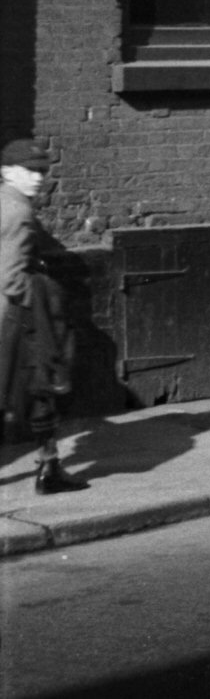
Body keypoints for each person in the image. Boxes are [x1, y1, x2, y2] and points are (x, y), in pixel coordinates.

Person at [1, 138, 77, 493]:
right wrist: (47, 294)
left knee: (32, 394)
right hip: (14, 318)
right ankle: (49, 470)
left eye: (41, 172)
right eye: (28, 171)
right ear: (6, 171)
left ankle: (50, 467)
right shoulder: (19, 213)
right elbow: (12, 279)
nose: (37, 178)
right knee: (38, 387)